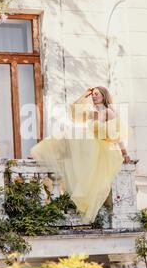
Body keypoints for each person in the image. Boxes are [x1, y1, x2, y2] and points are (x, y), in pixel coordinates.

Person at [30, 86, 131, 223]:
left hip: (100, 147)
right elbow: (74, 110)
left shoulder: (108, 112)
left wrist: (124, 152)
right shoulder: (93, 113)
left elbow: (116, 136)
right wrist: (85, 94)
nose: (94, 96)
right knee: (68, 134)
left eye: (96, 94)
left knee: (73, 135)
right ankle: (47, 154)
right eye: (93, 94)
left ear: (104, 96)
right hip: (90, 146)